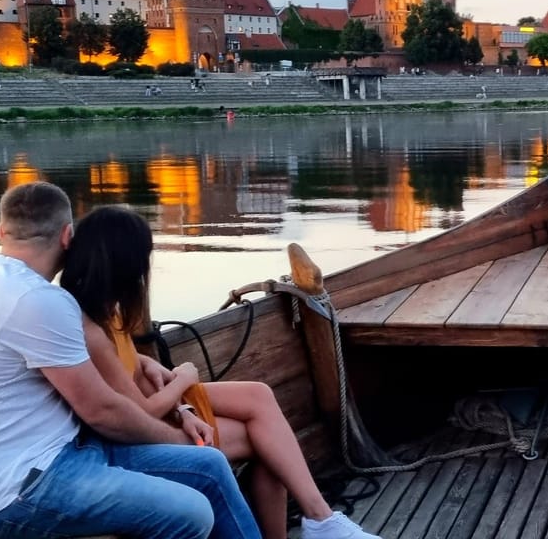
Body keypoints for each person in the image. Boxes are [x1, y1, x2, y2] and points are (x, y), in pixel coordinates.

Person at [0, 182, 261, 539]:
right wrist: (178, 439)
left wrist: (182, 414)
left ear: (0, 231)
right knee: (190, 513)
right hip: (18, 492)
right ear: (67, 235)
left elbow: (111, 396)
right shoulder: (34, 300)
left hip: (66, 455)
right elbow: (104, 411)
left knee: (210, 465)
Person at [61, 205, 381, 539]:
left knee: (258, 396)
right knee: (266, 444)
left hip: (162, 409)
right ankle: (320, 521)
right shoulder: (90, 329)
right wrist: (184, 377)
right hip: (141, 432)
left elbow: (128, 363)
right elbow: (139, 411)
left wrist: (160, 377)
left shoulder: (107, 309)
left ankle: (321, 519)